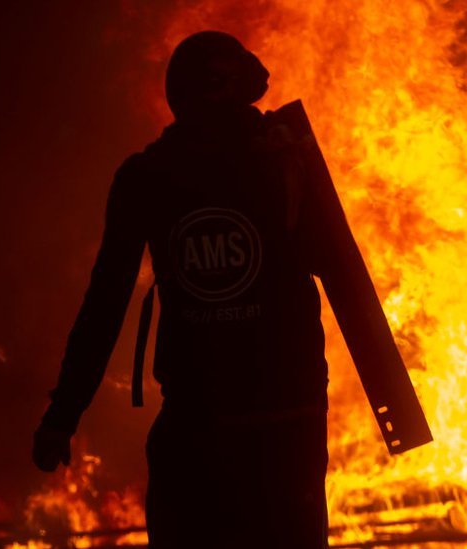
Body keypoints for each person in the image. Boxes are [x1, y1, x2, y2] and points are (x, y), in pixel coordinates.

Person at [33, 30, 431, 548]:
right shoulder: (285, 163)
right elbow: (342, 276)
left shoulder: (149, 176)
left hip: (204, 428)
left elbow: (103, 307)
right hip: (280, 427)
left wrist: (62, 417)